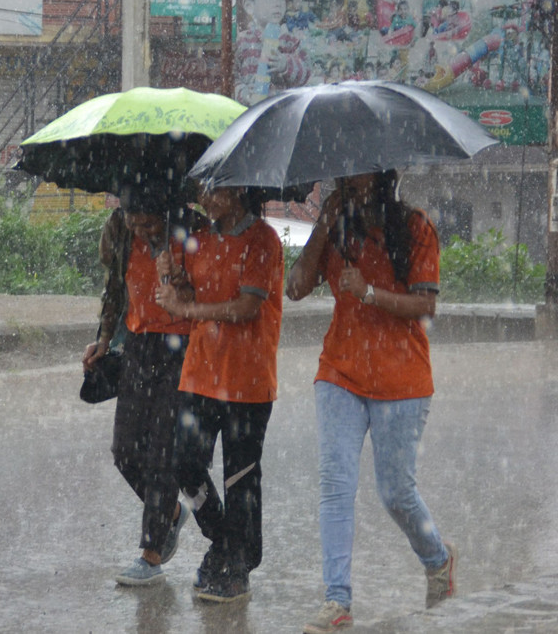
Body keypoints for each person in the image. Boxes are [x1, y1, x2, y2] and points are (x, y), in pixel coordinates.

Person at [285, 170, 456, 633]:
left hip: (402, 378)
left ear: (381, 176)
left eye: (358, 174)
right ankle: (336, 601)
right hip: (339, 373)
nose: (348, 181)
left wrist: (369, 292)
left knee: (395, 492)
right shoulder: (337, 228)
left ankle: (438, 561)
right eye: (343, 175)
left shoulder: (416, 227)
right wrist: (323, 225)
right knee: (336, 486)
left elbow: (426, 305)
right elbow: (295, 288)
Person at [154, 185, 283, 604]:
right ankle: (226, 540)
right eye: (201, 190)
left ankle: (238, 565)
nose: (204, 198)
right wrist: (172, 280)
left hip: (247, 378)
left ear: (240, 191)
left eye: (214, 190)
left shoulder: (262, 239)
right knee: (184, 463)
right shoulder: (201, 238)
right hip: (200, 373)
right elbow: (190, 296)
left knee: (240, 477)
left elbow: (246, 308)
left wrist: (189, 310)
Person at [84, 185, 204, 587]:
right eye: (133, 219)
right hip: (138, 343)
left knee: (161, 453)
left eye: (149, 222)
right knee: (125, 449)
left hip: (183, 345)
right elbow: (115, 289)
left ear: (166, 211)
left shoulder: (191, 231)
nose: (140, 229)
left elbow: (209, 291)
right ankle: (171, 512)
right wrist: (104, 341)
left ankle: (151, 554)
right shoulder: (119, 230)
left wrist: (179, 279)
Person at [233, 0, 309, 107]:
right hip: (249, 114)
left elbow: (305, 73)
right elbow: (232, 77)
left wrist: (286, 65)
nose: (278, 3)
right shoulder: (242, 41)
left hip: (281, 112)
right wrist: (244, 93)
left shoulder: (290, 42)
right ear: (249, 6)